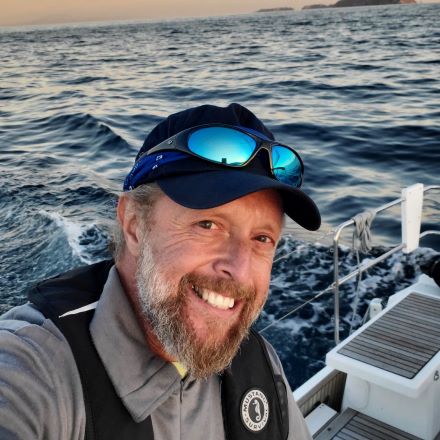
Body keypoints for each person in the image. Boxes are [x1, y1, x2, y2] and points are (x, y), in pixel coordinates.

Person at [0, 103, 320, 440]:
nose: (239, 270)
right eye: (208, 224)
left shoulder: (262, 366)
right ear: (134, 224)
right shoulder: (36, 370)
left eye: (262, 238)